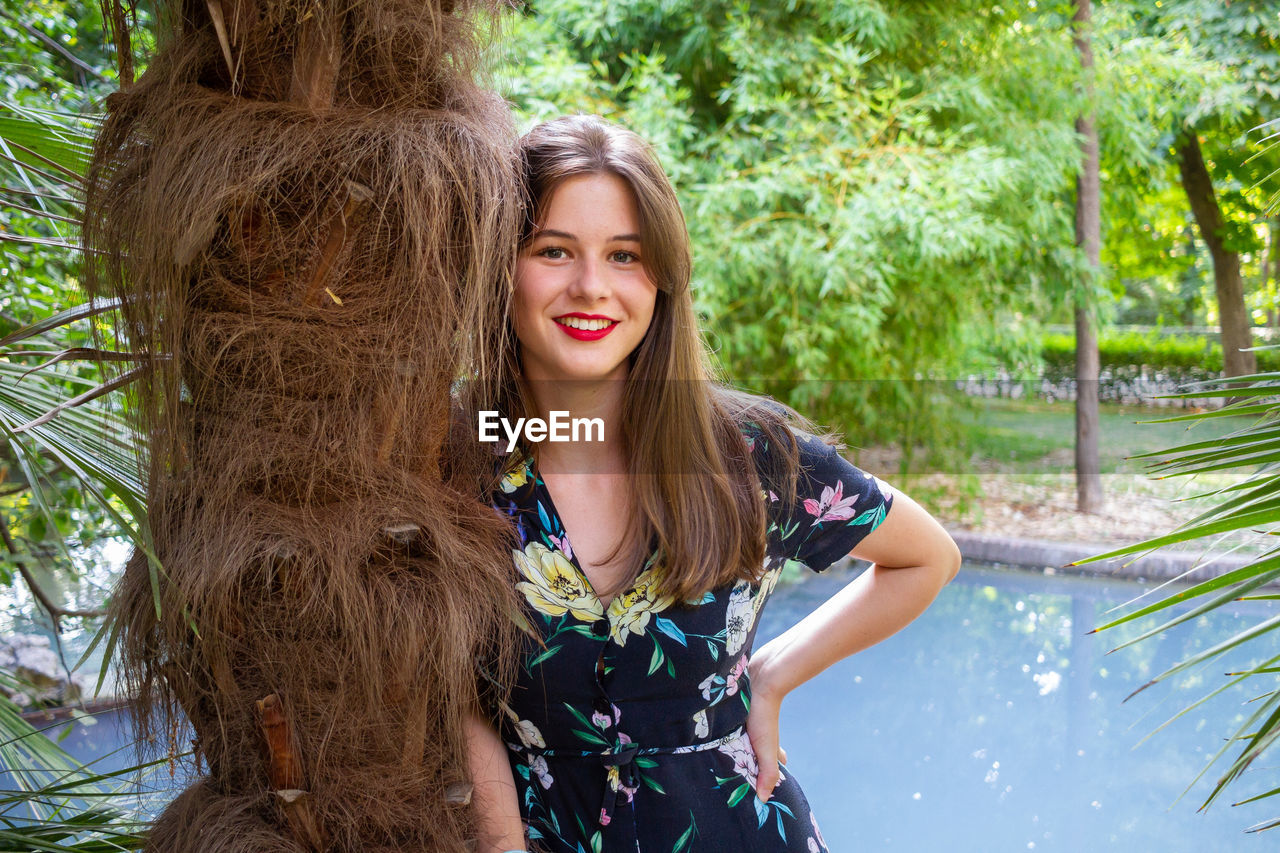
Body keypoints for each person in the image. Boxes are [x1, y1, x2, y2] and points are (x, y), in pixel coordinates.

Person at [463, 114, 961, 853]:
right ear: (502, 266)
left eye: (624, 255)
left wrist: (773, 674)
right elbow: (446, 691)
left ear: (661, 277)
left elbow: (928, 556)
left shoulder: (750, 454)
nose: (590, 286)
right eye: (553, 250)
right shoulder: (452, 465)